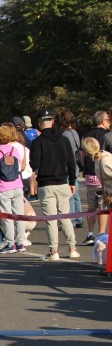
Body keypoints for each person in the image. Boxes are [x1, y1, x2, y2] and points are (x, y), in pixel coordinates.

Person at [30, 110, 79, 261]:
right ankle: (72, 248)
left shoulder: (38, 142)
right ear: (52, 121)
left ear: (40, 124)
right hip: (62, 182)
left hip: (46, 184)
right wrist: (72, 181)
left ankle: (53, 250)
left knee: (51, 219)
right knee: (65, 216)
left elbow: (34, 164)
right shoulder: (64, 140)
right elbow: (71, 162)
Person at [0, 123, 28, 254]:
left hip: (2, 187)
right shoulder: (14, 150)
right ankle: (20, 242)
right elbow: (19, 165)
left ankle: (10, 243)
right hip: (17, 185)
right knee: (19, 215)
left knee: (6, 216)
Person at [80, 111, 110, 246]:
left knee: (92, 207)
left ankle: (91, 234)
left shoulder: (88, 135)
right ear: (103, 121)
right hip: (102, 177)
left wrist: (85, 168)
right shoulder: (106, 136)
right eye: (108, 120)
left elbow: (82, 156)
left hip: (91, 176)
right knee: (102, 206)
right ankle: (101, 234)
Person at [57, 108, 84, 228]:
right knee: (76, 193)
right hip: (76, 165)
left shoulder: (64, 135)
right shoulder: (75, 132)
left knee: (70, 194)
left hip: (68, 166)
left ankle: (72, 220)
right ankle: (78, 218)